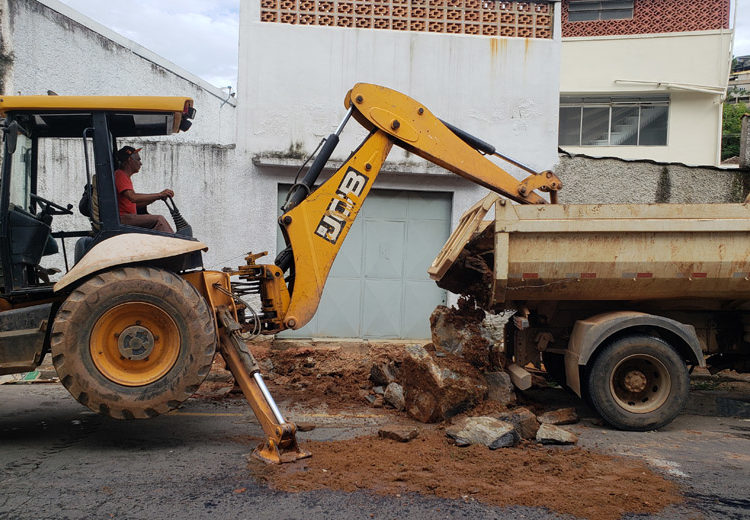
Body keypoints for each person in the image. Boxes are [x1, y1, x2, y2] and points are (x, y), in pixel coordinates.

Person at [114, 146, 174, 233]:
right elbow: (133, 198)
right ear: (130, 160)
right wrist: (160, 194)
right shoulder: (120, 175)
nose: (140, 163)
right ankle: (174, 244)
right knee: (159, 220)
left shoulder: (124, 176)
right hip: (124, 218)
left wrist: (157, 198)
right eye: (138, 160)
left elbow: (135, 204)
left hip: (127, 217)